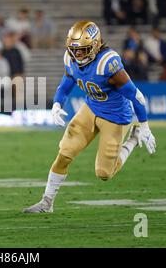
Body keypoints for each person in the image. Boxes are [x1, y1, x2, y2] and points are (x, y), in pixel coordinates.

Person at [23, 21, 156, 213]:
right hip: (91, 108)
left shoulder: (107, 64)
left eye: (82, 50)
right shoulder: (71, 59)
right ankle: (47, 203)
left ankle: (133, 139)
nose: (77, 55)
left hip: (115, 117)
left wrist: (144, 125)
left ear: (94, 45)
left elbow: (136, 95)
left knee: (104, 173)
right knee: (64, 154)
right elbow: (66, 83)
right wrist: (57, 104)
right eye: (74, 50)